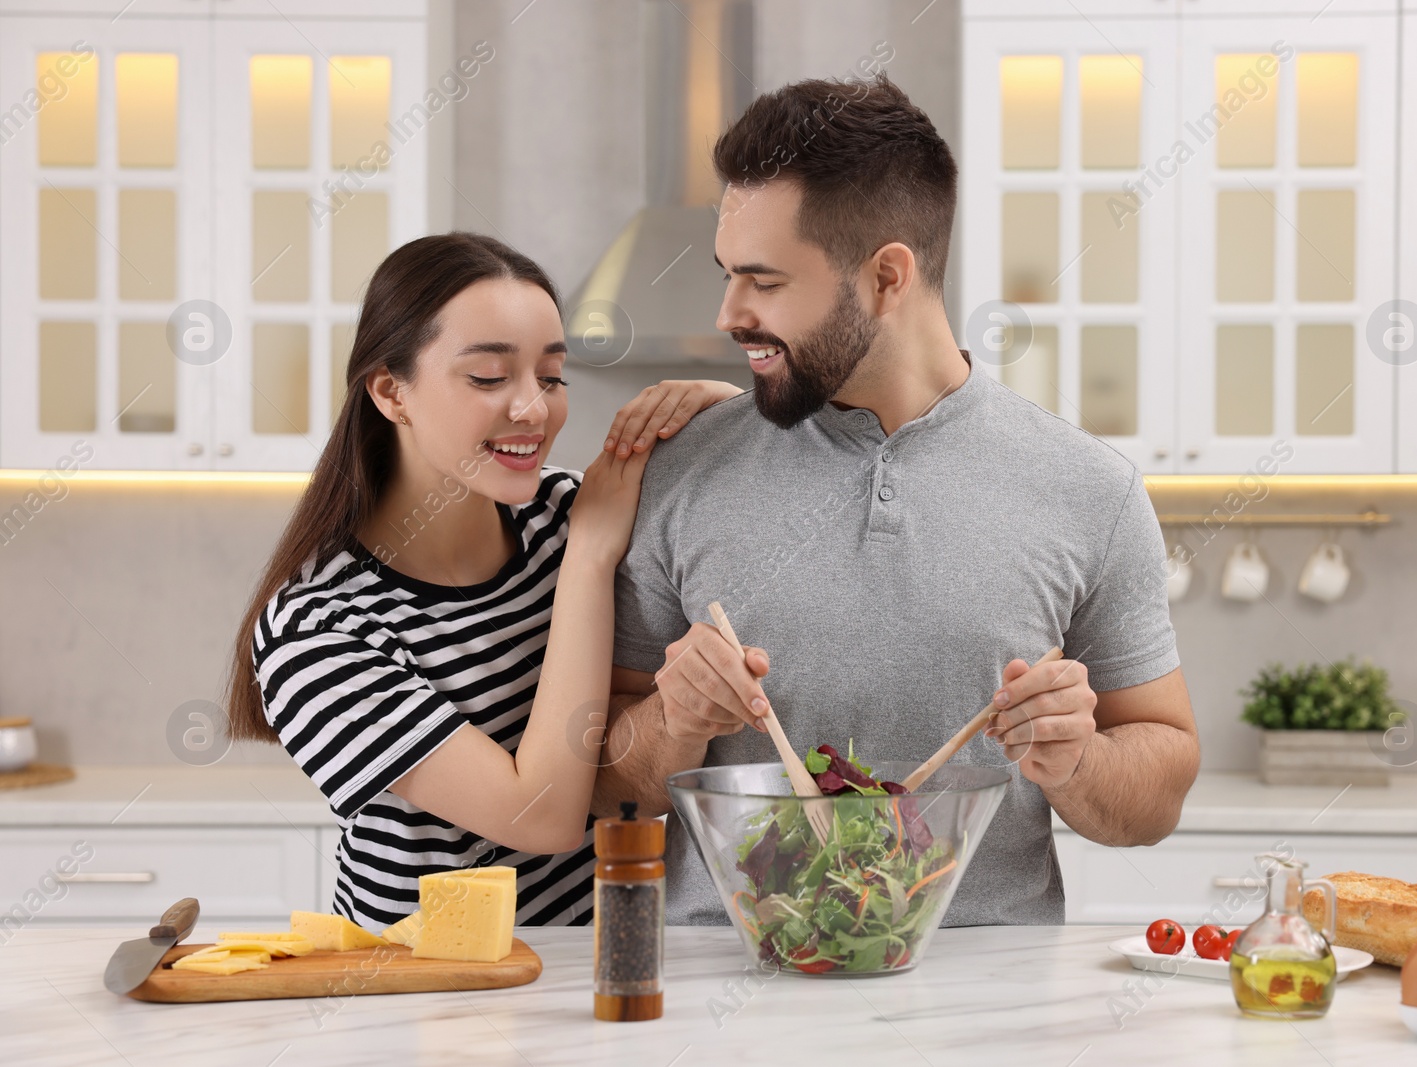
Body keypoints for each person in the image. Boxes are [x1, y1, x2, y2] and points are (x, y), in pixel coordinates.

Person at [592, 76, 1200, 927]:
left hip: (985, 1008)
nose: (728, 312)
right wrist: (669, 722)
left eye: (763, 281)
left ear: (887, 277)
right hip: (727, 1005)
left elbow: (1158, 791)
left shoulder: (1091, 490)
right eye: (729, 274)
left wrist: (1081, 761)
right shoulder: (678, 470)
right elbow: (604, 781)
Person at [225, 231, 742, 928]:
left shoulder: (564, 515)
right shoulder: (315, 631)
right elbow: (545, 817)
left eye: (552, 376)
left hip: (592, 967)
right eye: (490, 378)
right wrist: (587, 559)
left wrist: (725, 409)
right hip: (425, 991)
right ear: (391, 392)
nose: (534, 408)